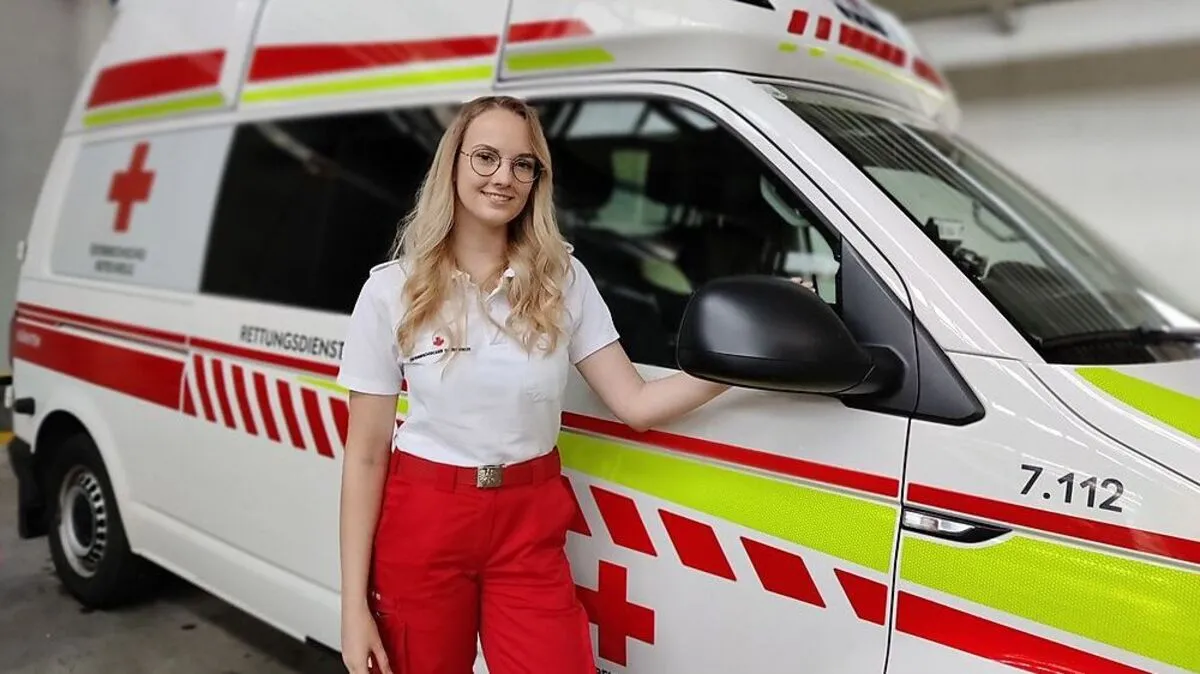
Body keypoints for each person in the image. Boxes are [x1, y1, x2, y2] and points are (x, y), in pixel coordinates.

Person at [335, 94, 736, 674]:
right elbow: (367, 455)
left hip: (529, 520)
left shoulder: (563, 281)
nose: (505, 177)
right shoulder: (391, 291)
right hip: (424, 517)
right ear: (452, 165)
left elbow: (637, 402)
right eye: (486, 158)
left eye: (524, 164)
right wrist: (353, 608)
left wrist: (737, 368)